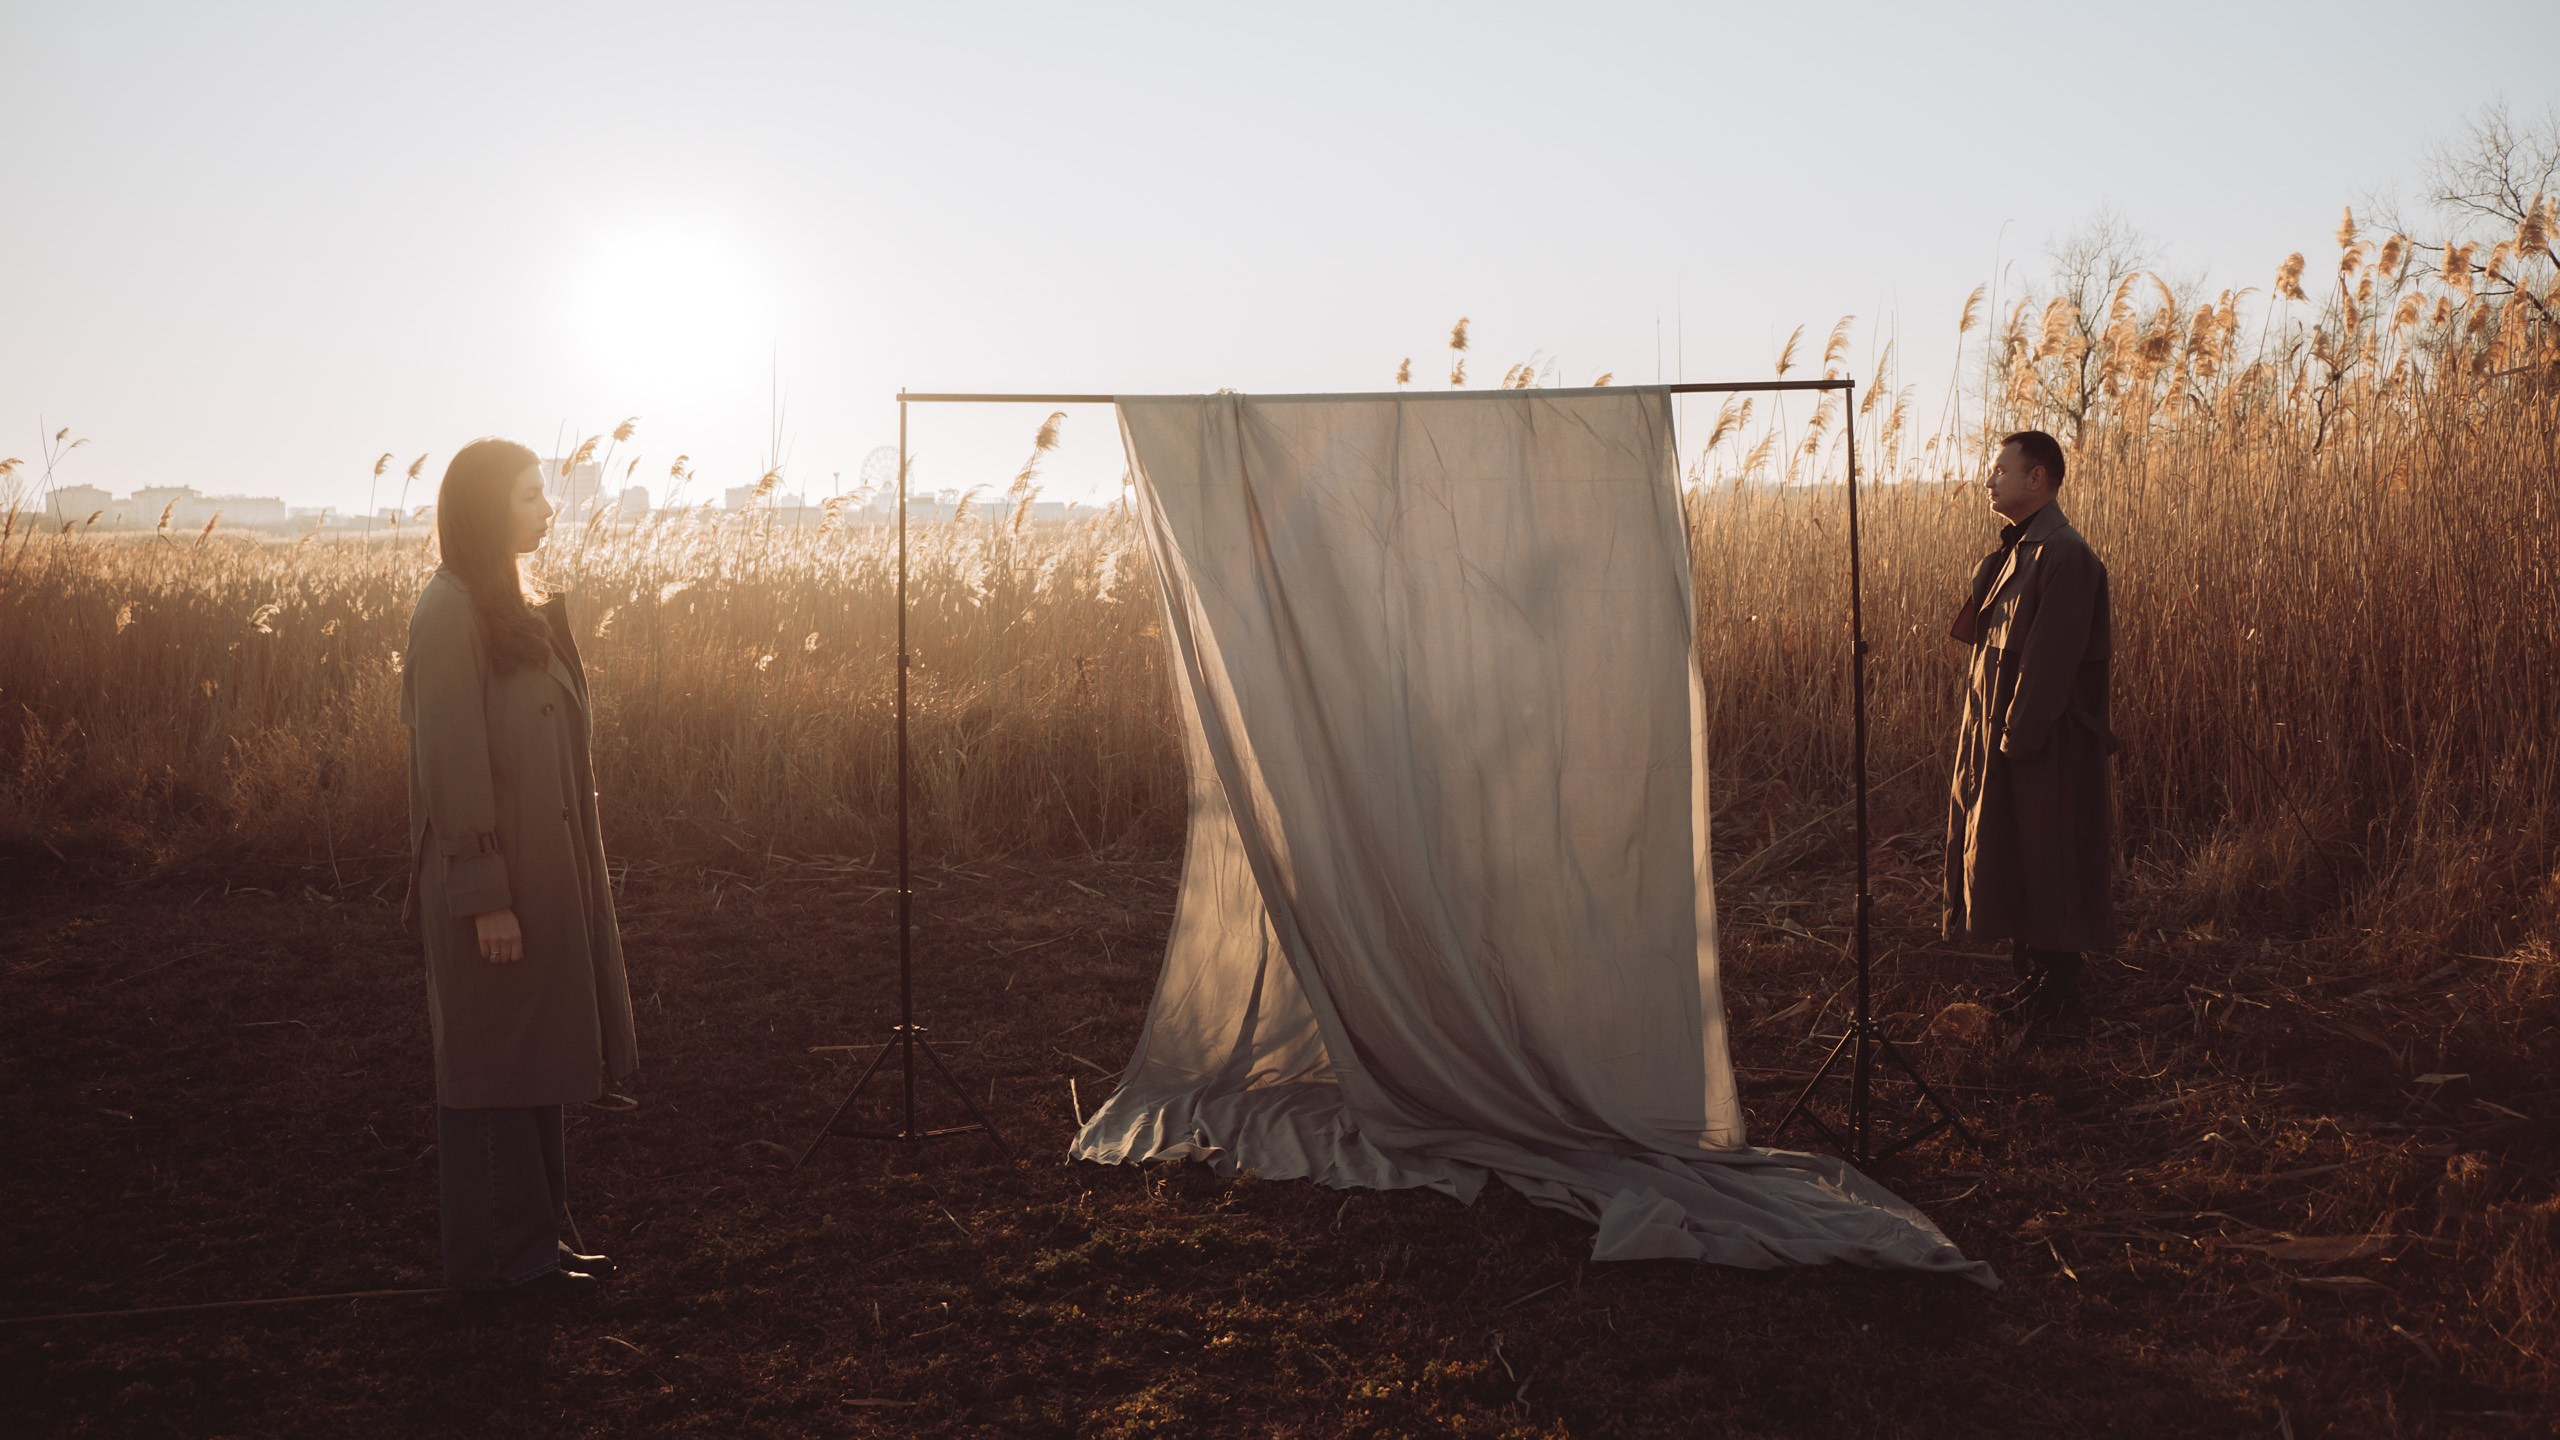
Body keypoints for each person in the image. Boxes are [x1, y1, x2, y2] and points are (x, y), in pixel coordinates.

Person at [400, 438, 638, 1297]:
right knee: (496, 1060)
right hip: (496, 890)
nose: (550, 509)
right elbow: (452, 769)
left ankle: (539, 1241)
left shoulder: (510, 602)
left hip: (545, 880)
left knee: (535, 1056)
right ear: (486, 508)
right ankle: (505, 1261)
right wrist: (484, 896)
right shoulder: (448, 611)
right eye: (532, 495)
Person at [1942, 429, 2115, 1038]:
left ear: (2036, 478)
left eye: (2000, 469)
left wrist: (2018, 739)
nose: (1990, 479)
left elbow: (2049, 662)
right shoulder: (2019, 551)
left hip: (2041, 743)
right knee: (2012, 851)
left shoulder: (2064, 555)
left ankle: (2058, 991)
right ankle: (2032, 979)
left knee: (2048, 853)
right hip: (2004, 735)